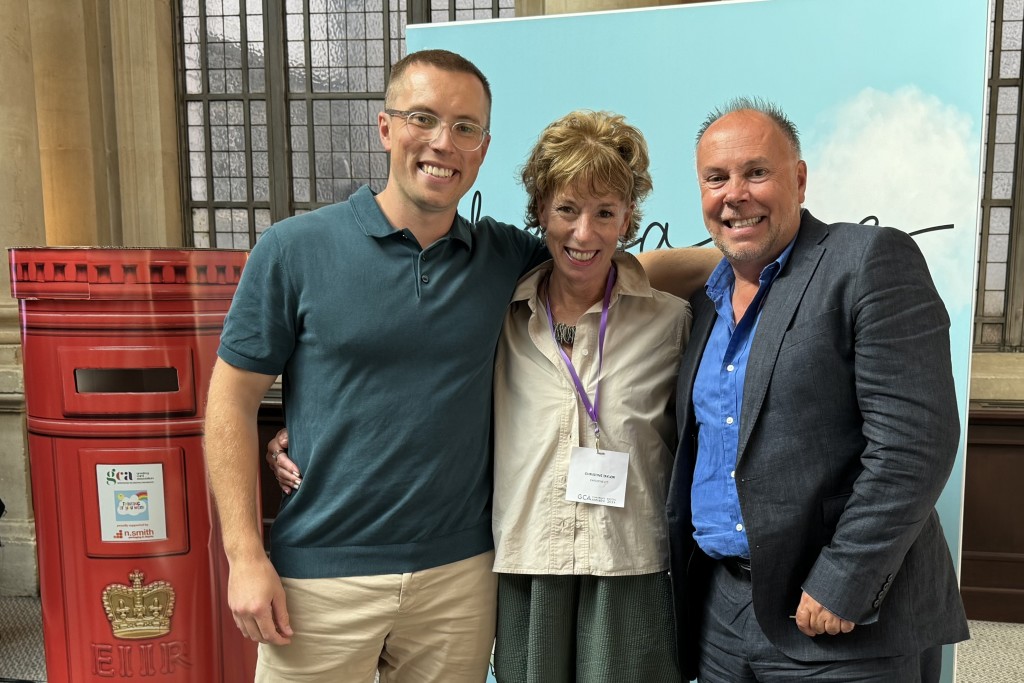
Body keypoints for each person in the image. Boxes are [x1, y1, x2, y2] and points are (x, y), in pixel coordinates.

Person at [207, 48, 716, 683]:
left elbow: (601, 263)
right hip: (322, 573)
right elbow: (229, 400)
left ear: (482, 147)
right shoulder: (293, 249)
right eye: (423, 118)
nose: (443, 143)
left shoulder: (502, 258)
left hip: (459, 578)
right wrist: (244, 554)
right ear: (386, 127)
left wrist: (765, 255)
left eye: (465, 127)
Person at [665, 98, 969, 682]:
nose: (735, 193)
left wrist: (842, 583)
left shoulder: (867, 262)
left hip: (837, 619)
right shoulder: (708, 300)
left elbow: (915, 445)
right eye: (716, 178)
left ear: (799, 179)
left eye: (757, 172)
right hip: (722, 614)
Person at [491, 110, 688, 682]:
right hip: (531, 562)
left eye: (605, 212)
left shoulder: (670, 322)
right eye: (567, 210)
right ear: (540, 213)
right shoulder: (500, 316)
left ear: (628, 218)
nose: (584, 233)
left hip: (631, 563)